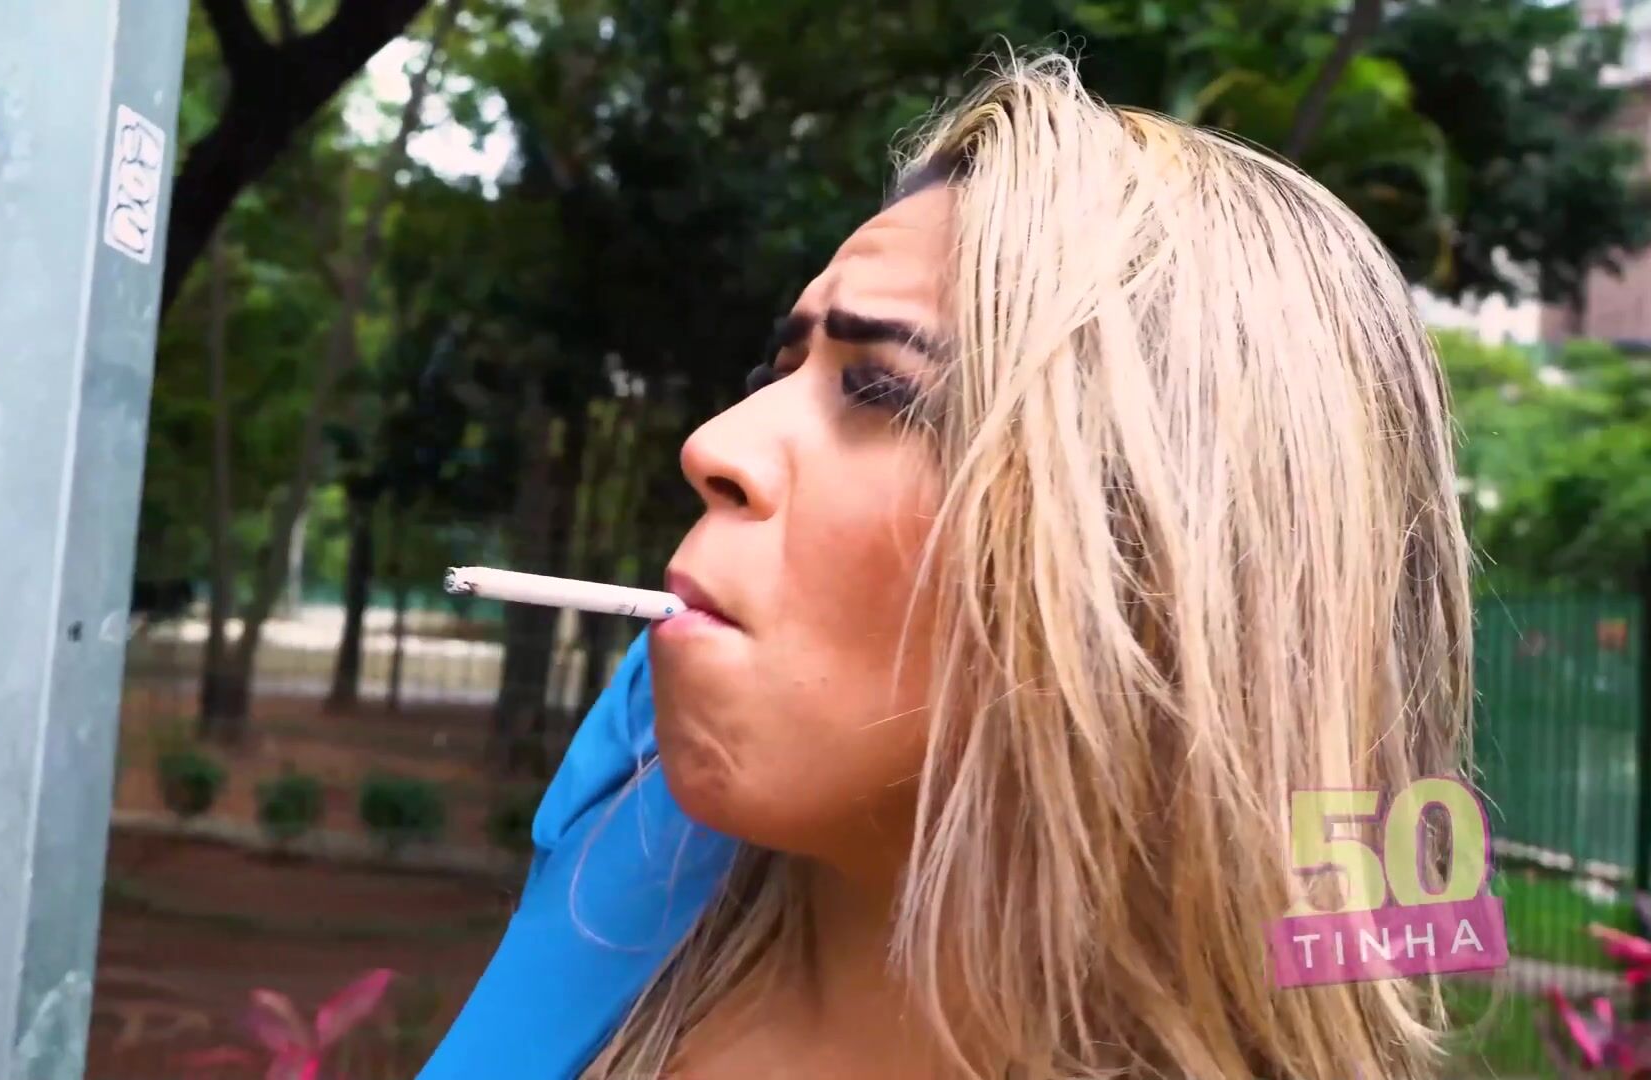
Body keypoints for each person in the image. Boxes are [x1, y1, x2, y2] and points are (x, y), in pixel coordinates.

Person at [421, 51, 1472, 1080]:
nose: (714, 444)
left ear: (1160, 555)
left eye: (881, 389)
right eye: (773, 371)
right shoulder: (647, 772)